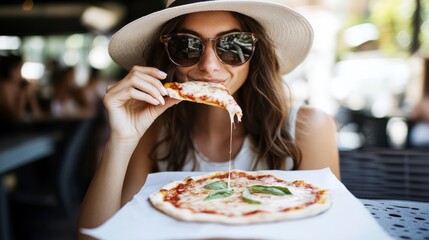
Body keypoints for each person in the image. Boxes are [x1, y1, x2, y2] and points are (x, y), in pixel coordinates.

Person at [78, 0, 339, 235]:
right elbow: (95, 236)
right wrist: (122, 140)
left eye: (233, 45)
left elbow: (331, 231)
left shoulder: (308, 128)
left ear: (255, 55)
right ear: (168, 58)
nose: (209, 66)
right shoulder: (154, 130)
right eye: (187, 46)